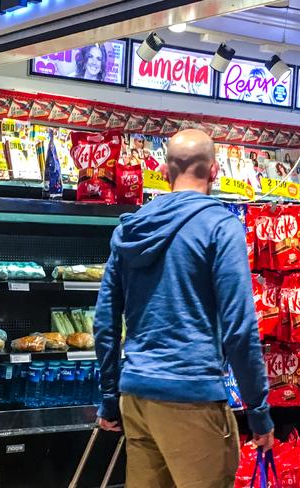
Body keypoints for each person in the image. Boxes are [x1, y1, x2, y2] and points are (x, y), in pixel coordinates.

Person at [94, 129, 274, 487]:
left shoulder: (132, 229)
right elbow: (239, 327)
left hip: (137, 398)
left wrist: (110, 397)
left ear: (164, 170)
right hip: (193, 399)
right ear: (215, 171)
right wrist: (259, 411)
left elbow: (105, 322)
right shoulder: (220, 227)